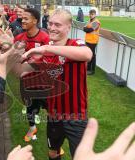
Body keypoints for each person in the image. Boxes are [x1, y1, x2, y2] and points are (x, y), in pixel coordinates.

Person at [22, 9, 92, 159]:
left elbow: (87, 54)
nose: (52, 28)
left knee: (81, 156)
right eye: (50, 23)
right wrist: (9, 51)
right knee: (53, 152)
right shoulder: (45, 50)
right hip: (54, 115)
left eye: (58, 25)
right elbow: (24, 72)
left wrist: (47, 47)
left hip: (76, 116)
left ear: (68, 27)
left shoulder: (75, 43)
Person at [13, 8, 50, 143]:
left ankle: (54, 139)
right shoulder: (19, 38)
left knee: (52, 109)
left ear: (35, 21)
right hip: (27, 82)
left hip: (43, 82)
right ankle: (32, 128)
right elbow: (13, 57)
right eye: (22, 18)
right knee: (30, 107)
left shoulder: (45, 37)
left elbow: (51, 58)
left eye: (26, 18)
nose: (22, 21)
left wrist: (34, 62)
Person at [83, 9, 101, 75]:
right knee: (89, 55)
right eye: (90, 14)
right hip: (88, 40)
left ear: (95, 15)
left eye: (92, 14)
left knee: (92, 55)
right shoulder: (89, 21)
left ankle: (92, 71)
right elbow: (84, 28)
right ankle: (88, 68)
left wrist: (87, 29)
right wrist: (86, 29)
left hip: (93, 41)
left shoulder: (96, 22)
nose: (91, 15)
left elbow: (89, 30)